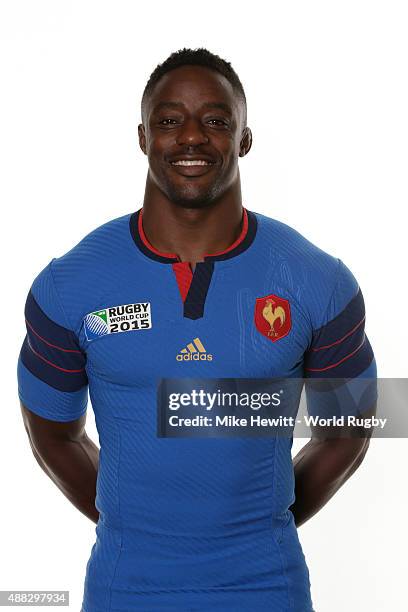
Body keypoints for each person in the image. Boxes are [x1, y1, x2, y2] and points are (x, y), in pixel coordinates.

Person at [17, 47, 376, 612]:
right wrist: (139, 527)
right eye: (168, 120)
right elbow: (53, 436)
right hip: (124, 589)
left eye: (214, 120)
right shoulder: (69, 287)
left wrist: (254, 527)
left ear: (244, 139)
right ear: (142, 137)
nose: (190, 137)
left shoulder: (318, 281)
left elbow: (347, 433)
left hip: (267, 588)